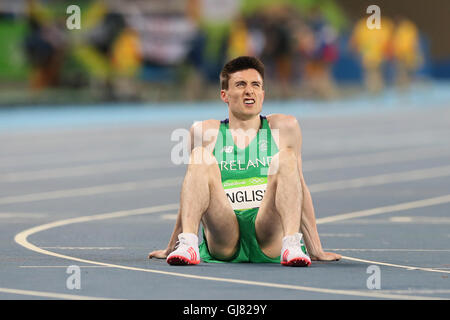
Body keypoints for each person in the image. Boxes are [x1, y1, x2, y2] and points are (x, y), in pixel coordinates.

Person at [148, 56, 341, 266]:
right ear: (225, 95)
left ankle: (292, 245)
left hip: (268, 228)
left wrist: (316, 249)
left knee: (287, 158)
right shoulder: (205, 132)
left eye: (255, 85)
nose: (249, 91)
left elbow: (298, 186)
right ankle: (188, 245)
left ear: (263, 94)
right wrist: (172, 246)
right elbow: (192, 193)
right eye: (240, 85)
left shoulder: (285, 127)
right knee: (199, 157)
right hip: (224, 231)